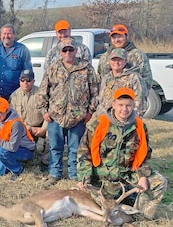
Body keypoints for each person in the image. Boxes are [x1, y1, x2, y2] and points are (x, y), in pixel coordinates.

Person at [77, 88, 167, 219]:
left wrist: (142, 176)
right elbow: (83, 153)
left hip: (127, 176)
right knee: (100, 200)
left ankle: (140, 215)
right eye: (120, 105)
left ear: (133, 105)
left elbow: (143, 156)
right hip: (103, 179)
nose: (124, 109)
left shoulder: (140, 126)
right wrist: (84, 178)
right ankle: (125, 202)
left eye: (128, 105)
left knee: (159, 182)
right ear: (113, 104)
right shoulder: (99, 123)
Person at [37, 39, 99, 185]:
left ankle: (74, 174)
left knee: (75, 148)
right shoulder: (53, 68)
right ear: (60, 52)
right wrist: (44, 111)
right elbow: (42, 91)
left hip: (78, 117)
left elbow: (95, 93)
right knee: (55, 147)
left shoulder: (86, 68)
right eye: (64, 50)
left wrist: (90, 112)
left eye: (71, 50)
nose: (68, 53)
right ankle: (54, 173)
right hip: (55, 116)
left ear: (76, 50)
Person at [9, 69, 49, 172]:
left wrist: (43, 129)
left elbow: (48, 113)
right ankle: (23, 158)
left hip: (40, 125)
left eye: (28, 80)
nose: (25, 83)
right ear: (19, 81)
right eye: (22, 80)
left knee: (52, 133)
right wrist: (28, 128)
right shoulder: (14, 96)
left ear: (33, 81)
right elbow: (12, 117)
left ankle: (46, 162)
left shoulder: (41, 94)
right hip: (23, 128)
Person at [0, 97, 35, 180]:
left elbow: (13, 147)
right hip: (7, 148)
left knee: (0, 151)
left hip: (25, 150)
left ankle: (18, 170)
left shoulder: (16, 124)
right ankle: (11, 162)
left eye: (0, 112)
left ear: (7, 110)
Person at [98, 24, 153, 92]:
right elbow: (100, 79)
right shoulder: (105, 57)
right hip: (109, 100)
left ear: (126, 36)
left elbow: (146, 80)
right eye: (114, 38)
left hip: (129, 99)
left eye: (120, 37)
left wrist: (136, 99)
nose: (117, 40)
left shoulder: (137, 55)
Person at [95, 47, 147, 117]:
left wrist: (133, 119)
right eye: (113, 60)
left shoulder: (133, 77)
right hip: (104, 118)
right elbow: (101, 100)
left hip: (123, 119)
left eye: (120, 60)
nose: (116, 62)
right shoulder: (106, 78)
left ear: (125, 61)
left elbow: (140, 101)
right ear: (109, 61)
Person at [0, 23, 32, 100]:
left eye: (9, 33)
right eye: (4, 33)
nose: (6, 36)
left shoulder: (22, 49)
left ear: (14, 35)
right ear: (0, 35)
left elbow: (27, 72)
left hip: (14, 95)